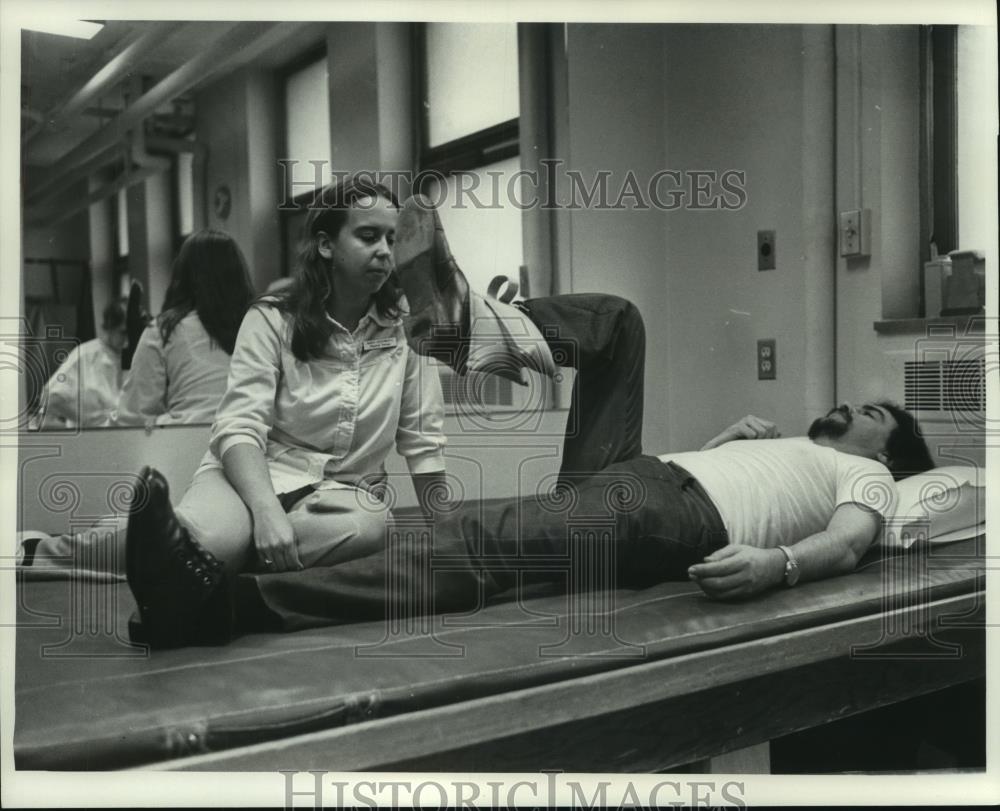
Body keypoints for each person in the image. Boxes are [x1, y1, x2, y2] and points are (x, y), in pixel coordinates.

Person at [124, 195, 935, 648]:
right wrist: (723, 445)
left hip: (669, 510)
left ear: (888, 455)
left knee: (466, 543)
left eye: (872, 415)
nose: (851, 409)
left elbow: (853, 539)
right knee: (618, 324)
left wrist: (781, 566)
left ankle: (222, 609)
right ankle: (448, 326)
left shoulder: (865, 478)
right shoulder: (794, 446)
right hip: (650, 482)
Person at [112, 229, 255, 426]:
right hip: (253, 444)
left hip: (185, 443)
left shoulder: (164, 330)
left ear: (183, 275)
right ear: (239, 275)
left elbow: (132, 417)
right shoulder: (260, 326)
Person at [37, 300, 127, 429]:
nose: (128, 340)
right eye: (123, 332)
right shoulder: (84, 356)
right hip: (93, 438)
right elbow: (49, 399)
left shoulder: (138, 356)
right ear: (108, 327)